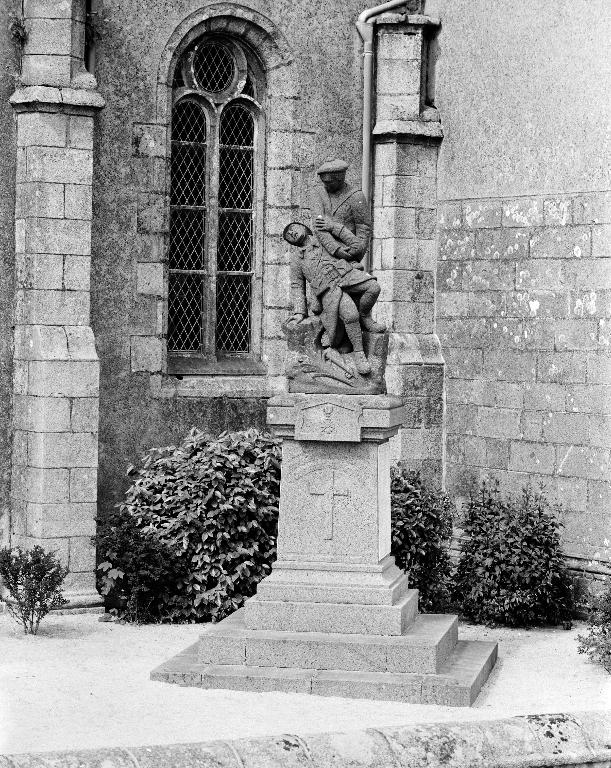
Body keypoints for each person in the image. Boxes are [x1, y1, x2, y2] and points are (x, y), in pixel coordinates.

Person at [283, 221, 383, 375]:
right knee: (350, 315)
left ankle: (365, 317)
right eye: (288, 235)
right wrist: (299, 312)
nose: (292, 233)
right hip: (327, 288)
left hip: (345, 274)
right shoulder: (297, 259)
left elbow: (354, 247)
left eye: (293, 228)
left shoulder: (323, 238)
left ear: (304, 227)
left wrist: (333, 227)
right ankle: (359, 354)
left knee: (374, 287)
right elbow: (297, 285)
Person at [311, 159, 371, 263]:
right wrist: (336, 250)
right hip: (324, 253)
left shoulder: (356, 196)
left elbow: (363, 228)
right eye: (324, 182)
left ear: (340, 179)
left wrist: (356, 254)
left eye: (329, 182)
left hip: (349, 253)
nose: (326, 185)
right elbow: (319, 226)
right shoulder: (318, 193)